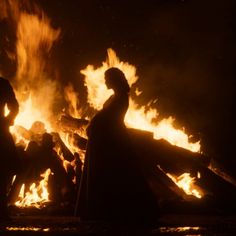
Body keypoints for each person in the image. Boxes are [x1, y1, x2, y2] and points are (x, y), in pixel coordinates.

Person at [76, 68, 158, 224]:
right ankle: (104, 210)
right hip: (104, 140)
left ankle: (120, 211)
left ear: (114, 79)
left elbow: (109, 118)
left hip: (113, 141)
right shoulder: (114, 96)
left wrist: (95, 124)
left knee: (119, 174)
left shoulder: (121, 97)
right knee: (107, 175)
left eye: (107, 78)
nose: (105, 81)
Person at [0, 77, 19, 219]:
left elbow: (14, 106)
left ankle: (2, 207)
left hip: (0, 130)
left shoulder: (2, 83)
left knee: (4, 168)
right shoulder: (3, 83)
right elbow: (14, 106)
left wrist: (6, 121)